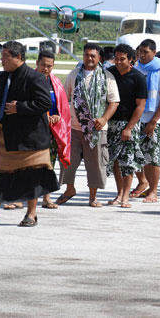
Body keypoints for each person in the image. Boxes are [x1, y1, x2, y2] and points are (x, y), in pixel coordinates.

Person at [0, 41, 59, 227]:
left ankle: (31, 214)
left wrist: (20, 107)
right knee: (0, 175)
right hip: (6, 136)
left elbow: (44, 103)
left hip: (31, 139)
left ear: (18, 57)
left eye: (6, 57)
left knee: (32, 177)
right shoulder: (1, 77)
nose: (2, 60)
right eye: (2, 56)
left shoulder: (35, 77)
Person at [58, 43, 120, 207]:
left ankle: (93, 197)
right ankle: (70, 189)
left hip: (97, 129)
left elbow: (114, 102)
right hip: (75, 127)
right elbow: (65, 98)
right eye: (86, 55)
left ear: (99, 57)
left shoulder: (107, 77)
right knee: (68, 161)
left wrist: (104, 118)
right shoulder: (73, 75)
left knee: (96, 165)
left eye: (93, 55)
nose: (89, 58)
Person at [106, 44, 146, 208]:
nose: (118, 62)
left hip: (130, 124)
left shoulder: (138, 77)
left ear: (131, 60)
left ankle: (126, 197)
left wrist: (129, 128)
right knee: (115, 161)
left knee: (128, 162)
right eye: (116, 58)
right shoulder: (110, 74)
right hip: (112, 123)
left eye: (122, 59)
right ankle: (119, 194)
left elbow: (140, 106)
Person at [131, 39, 160, 202]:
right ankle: (142, 182)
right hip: (136, 118)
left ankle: (153, 191)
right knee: (133, 153)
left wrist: (154, 121)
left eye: (146, 52)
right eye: (140, 51)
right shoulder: (135, 67)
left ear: (154, 52)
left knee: (152, 156)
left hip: (152, 119)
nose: (142, 54)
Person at [35, 50, 71, 209]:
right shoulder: (29, 80)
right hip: (33, 130)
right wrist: (44, 117)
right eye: (43, 65)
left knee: (49, 164)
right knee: (29, 164)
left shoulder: (56, 83)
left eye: (49, 66)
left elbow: (61, 107)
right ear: (37, 63)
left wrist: (56, 117)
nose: (46, 69)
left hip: (51, 131)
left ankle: (46, 198)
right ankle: (23, 197)